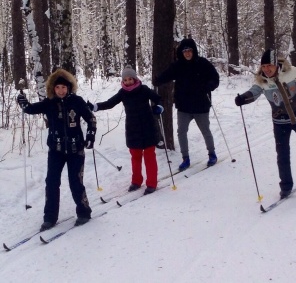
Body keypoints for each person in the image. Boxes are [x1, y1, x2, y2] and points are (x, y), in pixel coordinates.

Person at [17, 68, 97, 231]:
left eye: (64, 87)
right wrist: (23, 103)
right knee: (51, 182)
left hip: (76, 149)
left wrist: (90, 135)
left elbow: (91, 119)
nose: (61, 91)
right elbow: (32, 109)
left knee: (75, 182)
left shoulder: (77, 101)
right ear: (53, 89)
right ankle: (50, 218)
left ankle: (84, 212)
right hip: (56, 150)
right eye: (58, 88)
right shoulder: (49, 103)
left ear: (69, 88)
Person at [235, 48, 296, 199]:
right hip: (279, 123)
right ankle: (286, 187)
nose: (266, 69)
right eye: (263, 66)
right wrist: (243, 98)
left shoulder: (293, 72)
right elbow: (253, 92)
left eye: (269, 65)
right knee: (282, 155)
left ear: (276, 64)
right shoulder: (262, 81)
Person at [88, 65, 163, 195]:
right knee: (135, 156)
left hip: (148, 126)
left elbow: (157, 99)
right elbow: (110, 103)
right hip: (132, 128)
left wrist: (159, 107)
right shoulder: (123, 93)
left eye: (130, 79)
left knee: (149, 156)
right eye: (125, 80)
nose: (128, 82)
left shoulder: (144, 89)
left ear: (135, 78)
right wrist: (96, 106)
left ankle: (152, 183)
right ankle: (136, 181)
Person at [153, 38, 219, 171]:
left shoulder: (203, 63)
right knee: (181, 132)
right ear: (181, 53)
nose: (187, 53)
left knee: (205, 131)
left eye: (189, 50)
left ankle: (212, 154)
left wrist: (210, 86)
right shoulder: (178, 66)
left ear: (193, 51)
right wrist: (158, 80)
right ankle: (185, 158)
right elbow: (167, 75)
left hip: (201, 105)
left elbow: (215, 78)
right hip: (184, 106)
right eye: (185, 51)